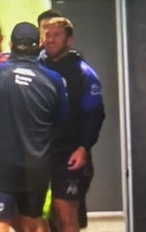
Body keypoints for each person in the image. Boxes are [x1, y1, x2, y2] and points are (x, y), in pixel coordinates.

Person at [0, 22, 69, 232]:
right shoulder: (54, 80)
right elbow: (62, 123)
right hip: (36, 167)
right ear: (39, 45)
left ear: (10, 43)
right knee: (32, 225)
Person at [38, 17, 105, 232]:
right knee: (34, 216)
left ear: (70, 41)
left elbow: (95, 115)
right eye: (47, 34)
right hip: (38, 152)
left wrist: (83, 148)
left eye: (57, 35)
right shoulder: (35, 68)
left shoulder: (84, 74)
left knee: (65, 213)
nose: (50, 39)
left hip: (69, 154)